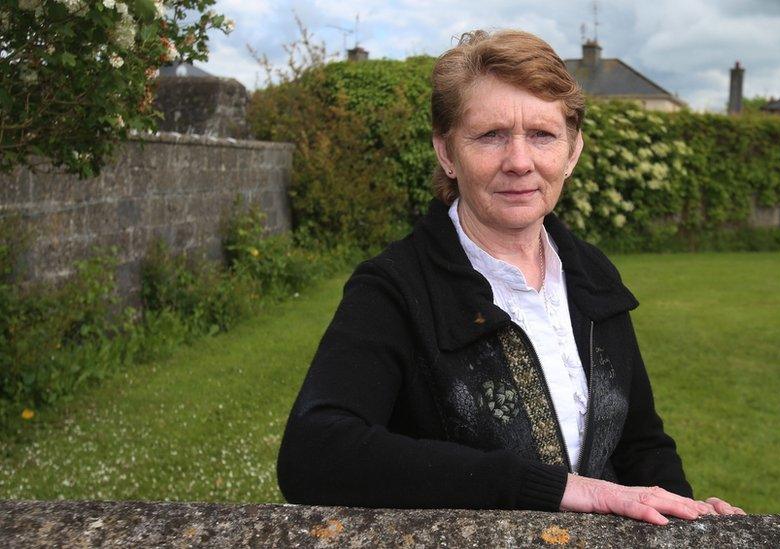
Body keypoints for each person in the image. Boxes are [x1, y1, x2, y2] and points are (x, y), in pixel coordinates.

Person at [277, 29, 744, 525]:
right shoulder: (395, 289)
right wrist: (554, 488)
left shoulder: (590, 273)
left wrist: (682, 515)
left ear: (573, 151)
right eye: (490, 135)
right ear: (446, 152)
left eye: (543, 135)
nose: (519, 162)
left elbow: (639, 441)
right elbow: (315, 452)